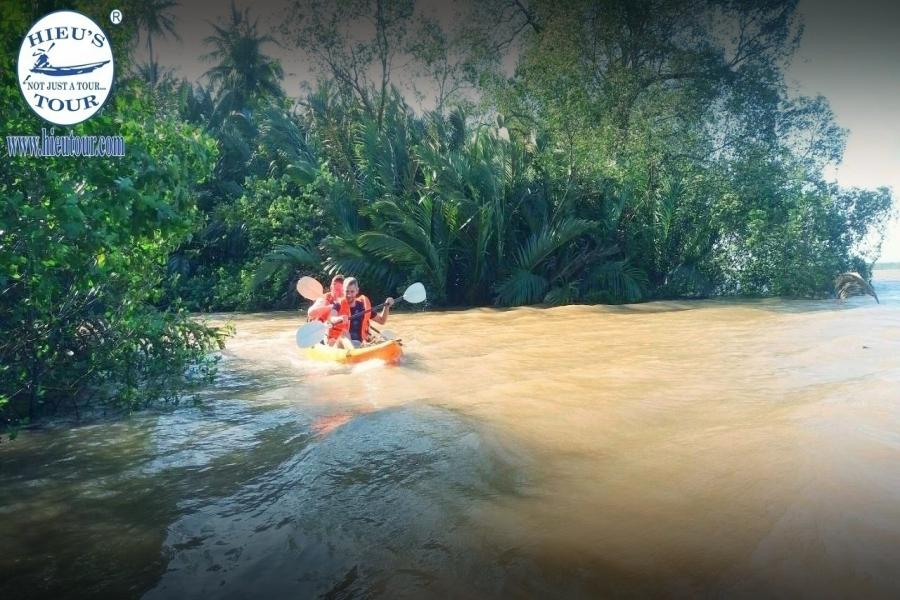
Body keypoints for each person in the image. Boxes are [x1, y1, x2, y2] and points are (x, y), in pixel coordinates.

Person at [332, 277, 394, 348]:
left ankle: (360, 350)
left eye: (352, 291)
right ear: (343, 291)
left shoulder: (363, 307)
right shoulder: (338, 305)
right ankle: (354, 351)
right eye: (347, 291)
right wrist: (339, 318)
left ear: (357, 291)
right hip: (341, 345)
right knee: (345, 334)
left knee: (380, 341)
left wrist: (387, 307)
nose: (349, 295)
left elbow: (382, 321)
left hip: (360, 345)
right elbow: (331, 319)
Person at [306, 274, 347, 346]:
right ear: (331, 288)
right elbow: (311, 313)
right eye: (336, 290)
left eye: (341, 291)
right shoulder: (324, 299)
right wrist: (331, 306)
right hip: (320, 331)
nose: (338, 293)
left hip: (337, 332)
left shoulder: (347, 300)